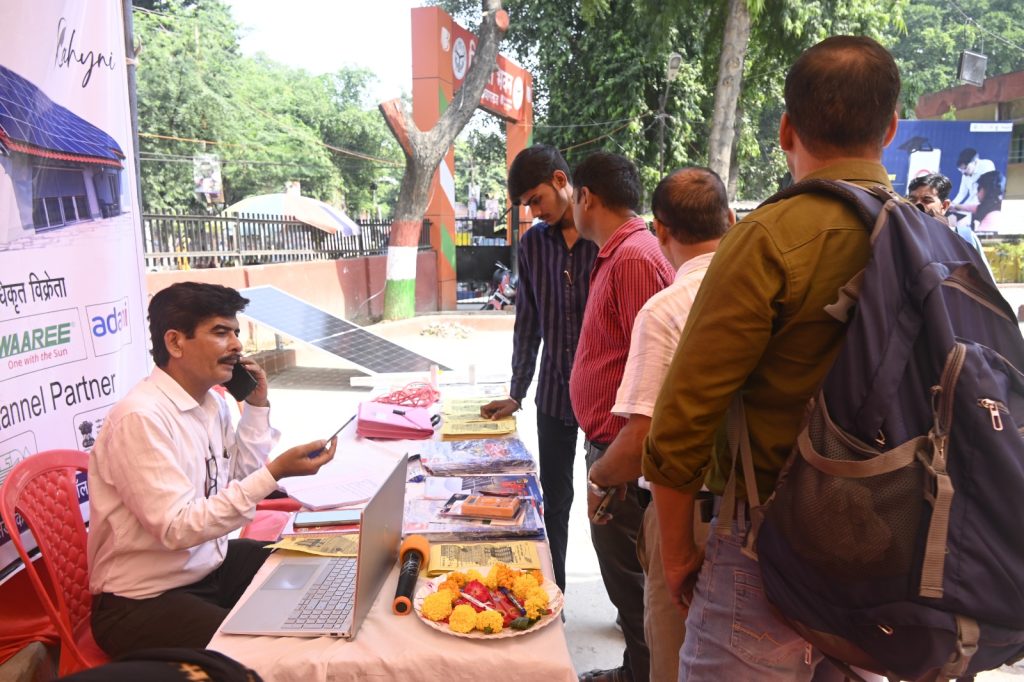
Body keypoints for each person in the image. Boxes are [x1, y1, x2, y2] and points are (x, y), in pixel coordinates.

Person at [642, 35, 902, 680]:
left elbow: (681, 421)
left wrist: (677, 554)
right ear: (891, 128)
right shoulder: (931, 237)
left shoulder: (767, 238)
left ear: (786, 129)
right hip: (888, 553)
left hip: (769, 552)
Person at [88, 282, 338, 656]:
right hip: (143, 600)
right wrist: (274, 473)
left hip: (207, 569)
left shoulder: (212, 404)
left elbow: (234, 482)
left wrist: (256, 407)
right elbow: (176, 529)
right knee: (266, 652)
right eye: (221, 332)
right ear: (175, 343)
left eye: (235, 332)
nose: (237, 345)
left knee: (311, 565)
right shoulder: (141, 418)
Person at [587, 167, 730, 682]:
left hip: (691, 516)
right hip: (762, 516)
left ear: (661, 229)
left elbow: (644, 436)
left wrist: (600, 478)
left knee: (673, 657)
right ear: (730, 219)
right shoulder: (767, 293)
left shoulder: (668, 308)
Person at [569, 151, 675, 682]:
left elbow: (653, 375)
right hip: (613, 448)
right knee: (627, 581)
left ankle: (644, 673)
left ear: (585, 196)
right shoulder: (620, 252)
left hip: (623, 454)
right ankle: (637, 668)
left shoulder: (633, 257)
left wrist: (613, 467)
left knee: (633, 583)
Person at [480, 144, 598, 594]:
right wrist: (517, 390)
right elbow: (527, 321)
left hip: (605, 397)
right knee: (555, 502)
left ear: (560, 181)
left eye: (536, 200)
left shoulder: (603, 237)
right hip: (553, 393)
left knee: (614, 505)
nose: (533, 212)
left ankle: (632, 616)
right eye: (526, 205)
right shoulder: (532, 245)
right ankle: (555, 597)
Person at [908, 172, 992, 272]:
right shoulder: (902, 237)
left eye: (927, 200)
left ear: (944, 206)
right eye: (912, 200)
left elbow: (984, 279)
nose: (917, 205)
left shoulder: (965, 238)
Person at [949, 147, 996, 215]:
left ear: (975, 162)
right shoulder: (965, 174)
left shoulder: (987, 165)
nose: (963, 172)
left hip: (985, 205)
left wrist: (961, 208)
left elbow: (984, 191)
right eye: (961, 170)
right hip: (971, 203)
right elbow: (962, 193)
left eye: (965, 168)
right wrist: (952, 204)